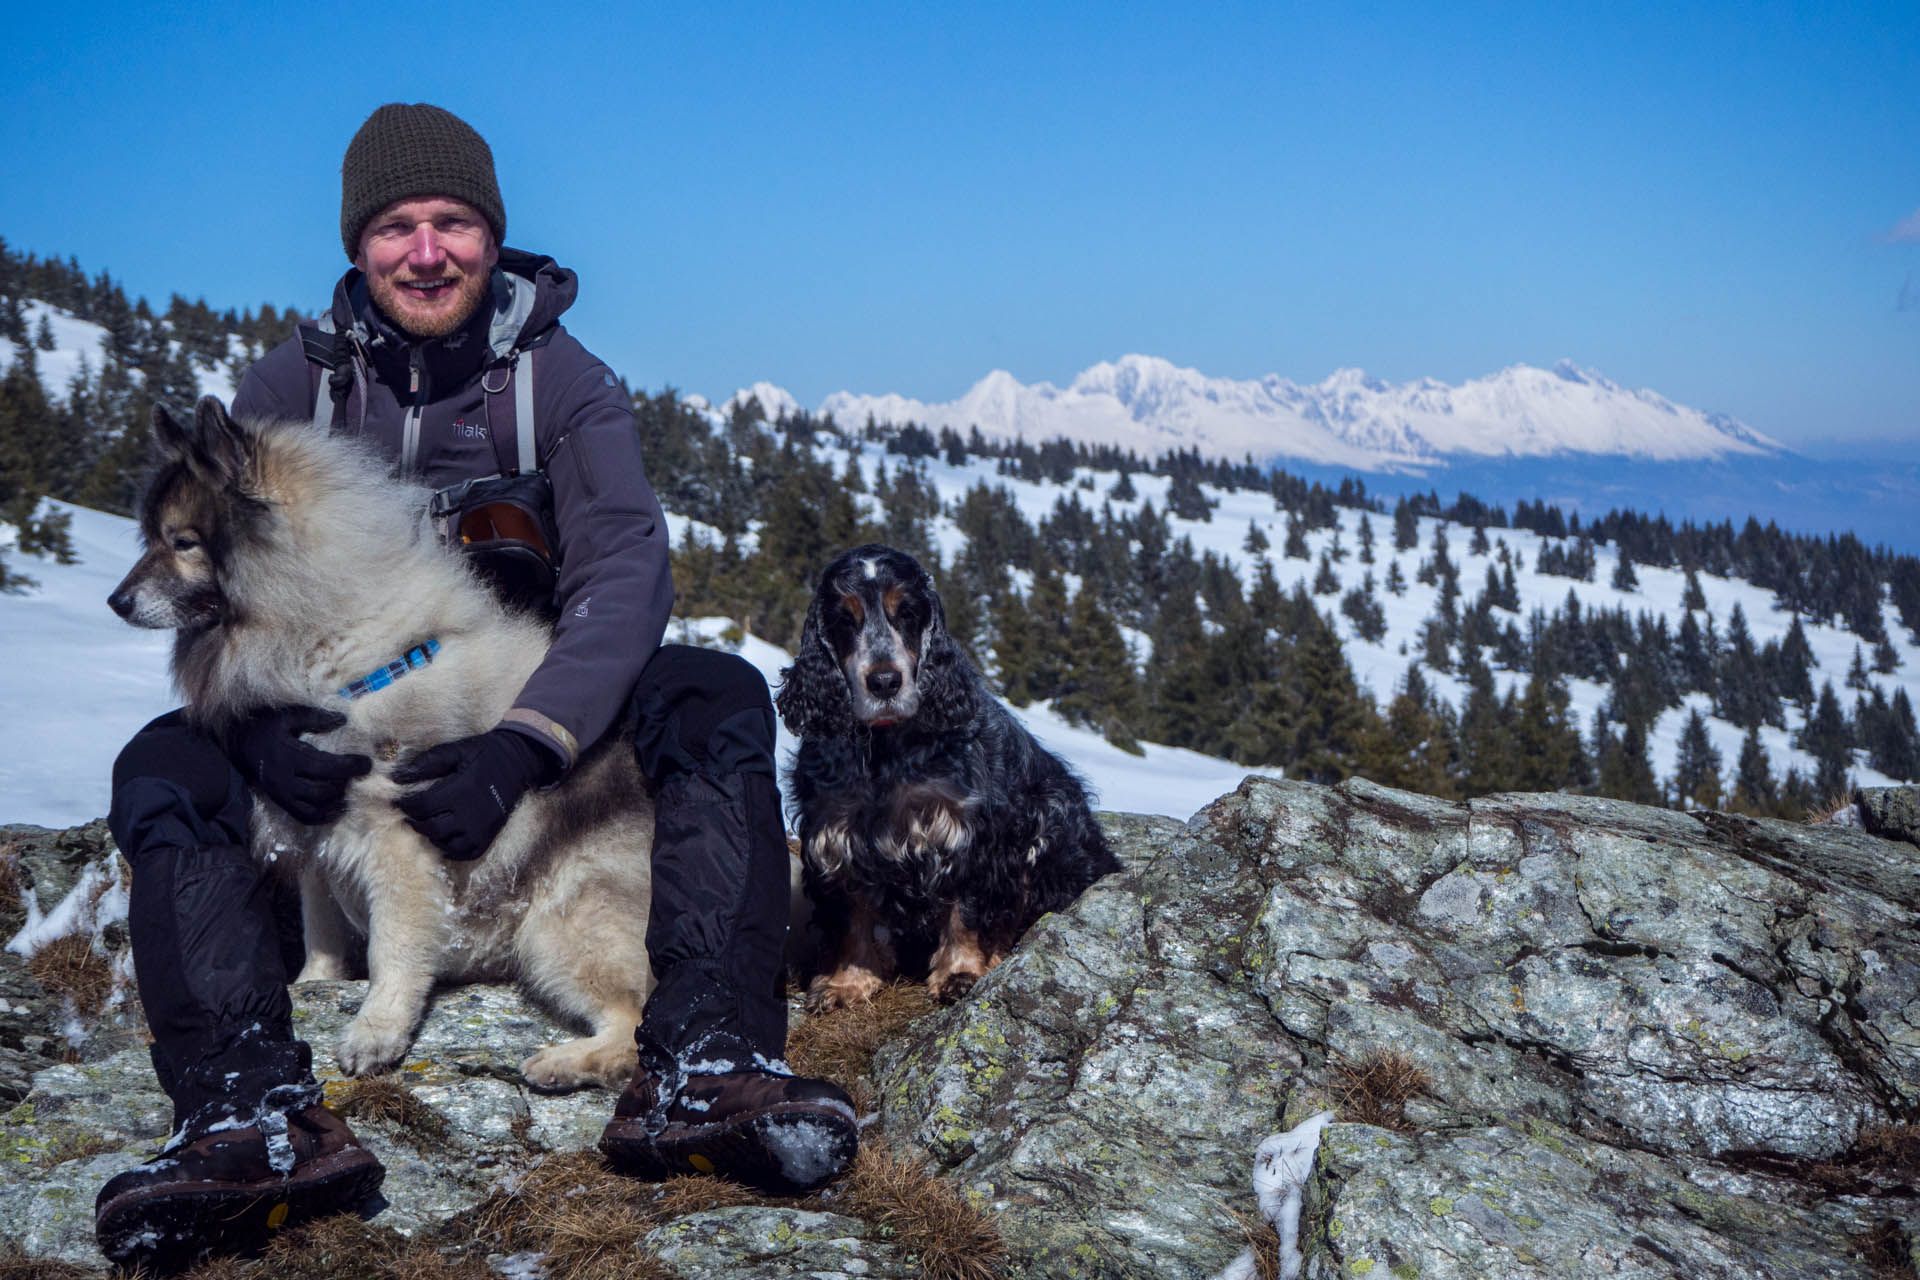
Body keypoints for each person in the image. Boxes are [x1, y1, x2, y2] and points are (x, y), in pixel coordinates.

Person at [95, 103, 856, 1269]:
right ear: (359, 245)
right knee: (159, 764)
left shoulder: (563, 381)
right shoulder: (290, 384)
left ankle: (707, 1058)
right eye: (396, 226)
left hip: (536, 714)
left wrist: (528, 741)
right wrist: (248, 738)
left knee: (715, 691)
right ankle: (242, 1114)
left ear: (492, 237)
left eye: (452, 221)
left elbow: (623, 573)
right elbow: (224, 592)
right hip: (333, 702)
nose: (426, 250)